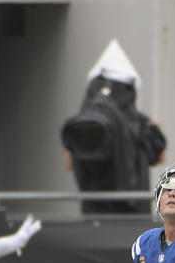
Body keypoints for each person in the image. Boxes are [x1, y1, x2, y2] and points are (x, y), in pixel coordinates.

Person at [60, 39, 166, 214]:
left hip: (93, 213)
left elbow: (69, 163)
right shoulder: (140, 123)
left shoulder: (80, 124)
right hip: (132, 216)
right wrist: (154, 130)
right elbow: (160, 158)